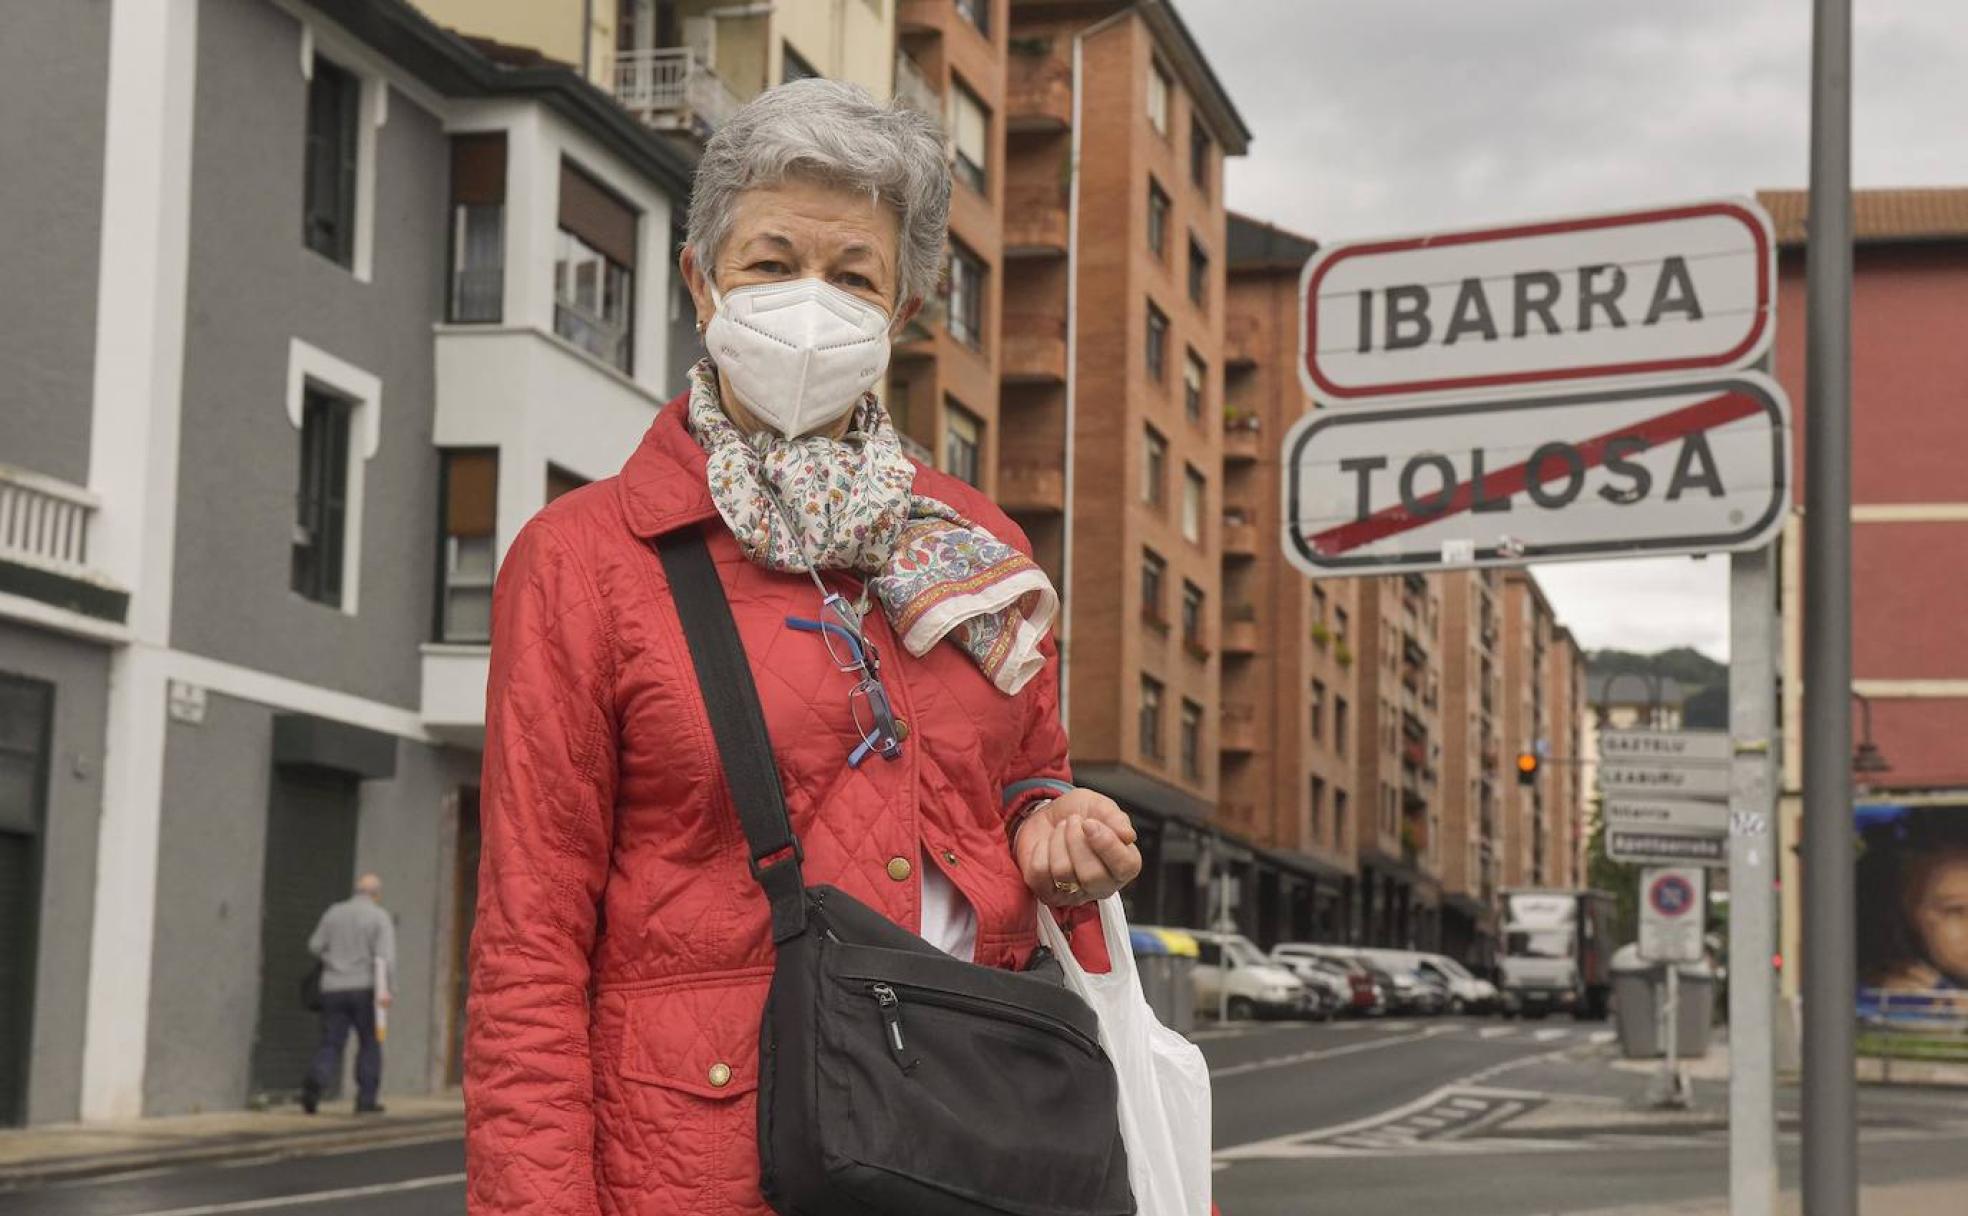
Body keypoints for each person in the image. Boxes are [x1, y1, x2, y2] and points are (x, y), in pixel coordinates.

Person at [466, 78, 1143, 1215]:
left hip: (964, 1145)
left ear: (905, 315)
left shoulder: (978, 547)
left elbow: (1025, 777)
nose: (809, 302)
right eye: (772, 264)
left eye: (853, 275)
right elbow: (528, 945)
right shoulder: (583, 559)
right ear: (701, 281)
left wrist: (1056, 822)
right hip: (698, 1169)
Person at [302, 873, 395, 1115]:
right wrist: (386, 990)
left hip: (332, 987)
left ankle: (316, 1081)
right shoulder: (379, 917)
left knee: (331, 1042)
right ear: (376, 894)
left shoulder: (334, 913)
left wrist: (332, 960)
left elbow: (314, 945)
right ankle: (366, 1099)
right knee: (369, 1044)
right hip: (365, 989)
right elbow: (384, 959)